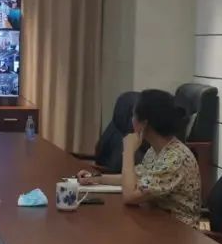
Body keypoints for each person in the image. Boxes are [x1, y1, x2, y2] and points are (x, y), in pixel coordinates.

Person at [78, 89, 201, 226]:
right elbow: (136, 178)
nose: (131, 120)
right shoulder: (156, 150)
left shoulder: (175, 159)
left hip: (178, 232)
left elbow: (129, 196)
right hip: (157, 223)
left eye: (134, 115)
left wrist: (128, 151)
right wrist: (95, 179)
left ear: (144, 123)